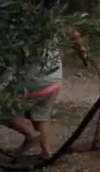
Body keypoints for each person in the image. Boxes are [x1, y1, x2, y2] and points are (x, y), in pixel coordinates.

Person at [8, 29, 87, 158]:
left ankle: (31, 135)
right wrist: (82, 52)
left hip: (32, 81)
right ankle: (46, 152)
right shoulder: (54, 19)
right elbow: (74, 34)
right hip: (53, 78)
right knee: (41, 114)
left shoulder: (19, 21)